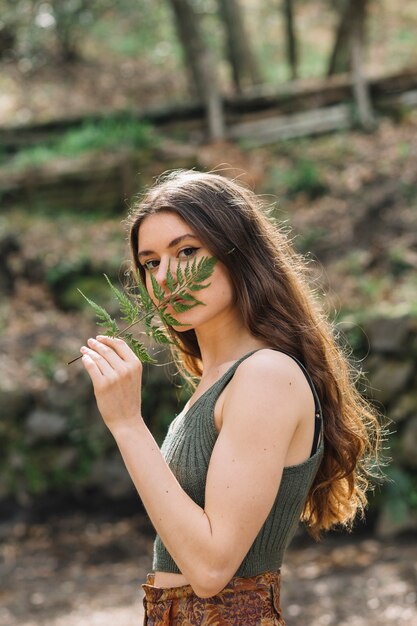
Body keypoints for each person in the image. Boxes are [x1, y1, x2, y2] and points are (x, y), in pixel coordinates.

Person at [79, 170, 381, 625]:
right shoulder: (214, 379)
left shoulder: (265, 375)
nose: (166, 277)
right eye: (151, 262)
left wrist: (127, 425)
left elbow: (211, 569)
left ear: (239, 252)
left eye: (187, 251)